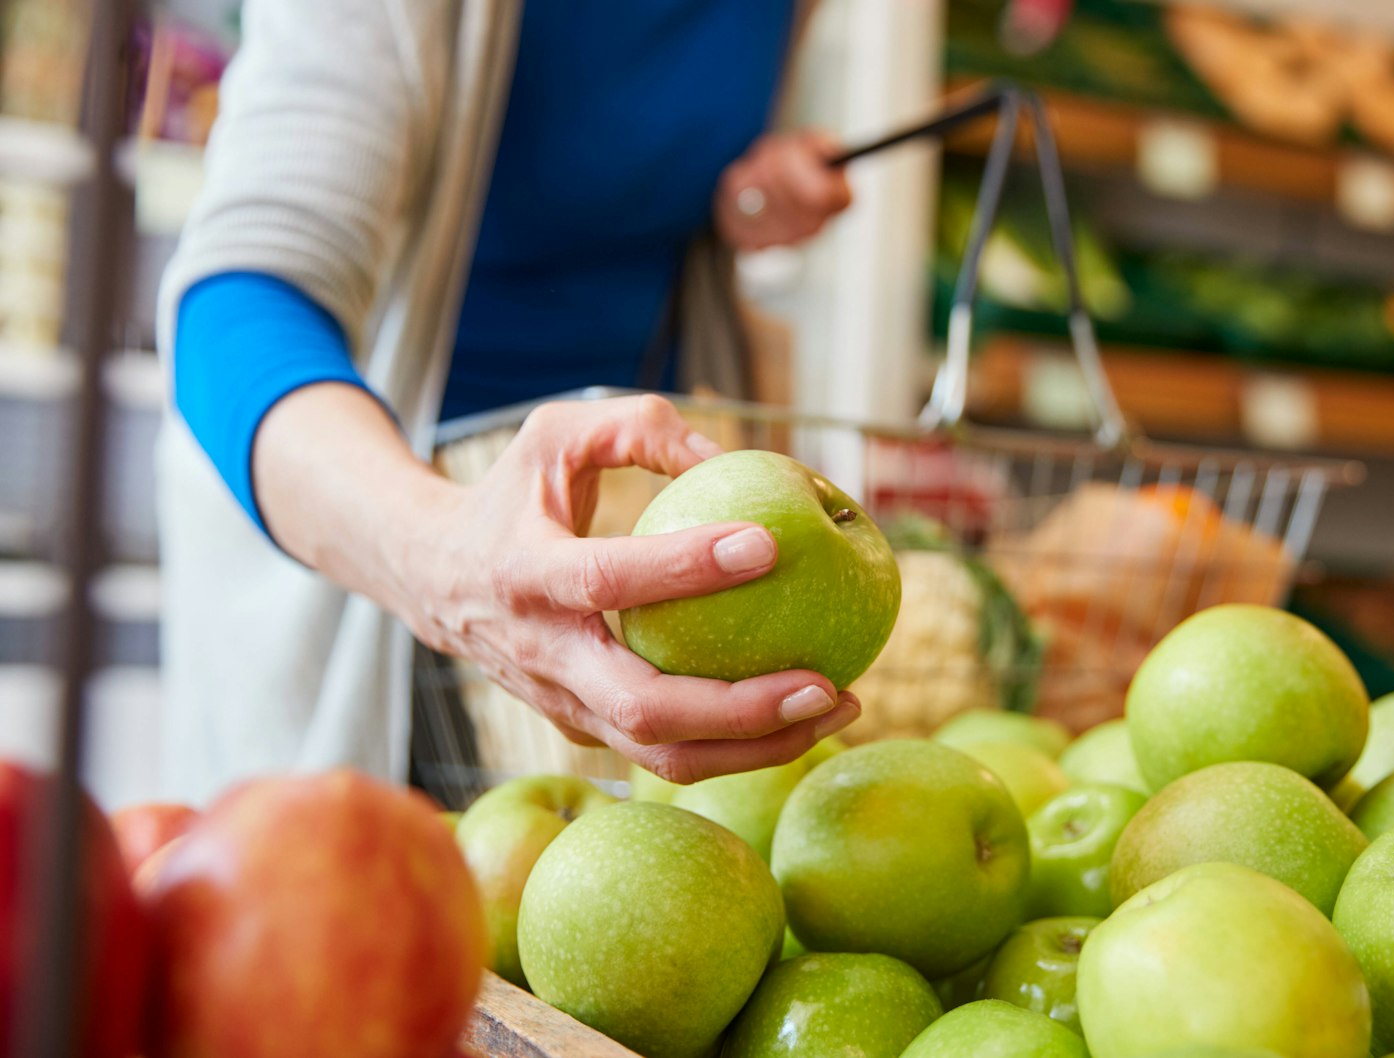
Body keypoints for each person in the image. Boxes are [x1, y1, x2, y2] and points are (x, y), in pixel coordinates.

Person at [155, 0, 866, 803]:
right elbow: (231, 315)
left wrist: (737, 196)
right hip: (377, 521)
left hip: (623, 529)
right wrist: (443, 554)